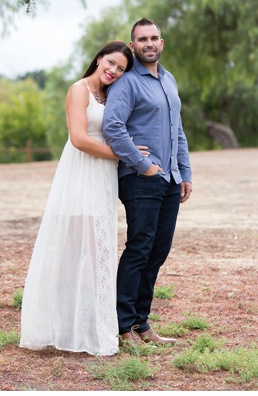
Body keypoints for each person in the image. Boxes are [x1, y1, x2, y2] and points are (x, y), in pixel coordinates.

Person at [20, 40, 145, 356]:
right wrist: (124, 154)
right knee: (76, 251)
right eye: (111, 63)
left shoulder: (110, 94)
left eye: (121, 68)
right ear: (99, 58)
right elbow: (78, 138)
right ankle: (64, 326)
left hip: (103, 176)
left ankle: (90, 326)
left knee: (97, 250)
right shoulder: (79, 90)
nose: (114, 71)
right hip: (81, 173)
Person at [103, 18, 193, 347]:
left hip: (170, 179)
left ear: (162, 43)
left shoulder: (169, 80)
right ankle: (124, 327)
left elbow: (177, 132)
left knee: (158, 251)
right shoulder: (126, 83)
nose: (149, 43)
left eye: (154, 37)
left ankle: (142, 324)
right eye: (142, 39)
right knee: (139, 250)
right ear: (133, 46)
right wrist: (144, 166)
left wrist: (184, 173)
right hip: (141, 179)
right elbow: (113, 128)